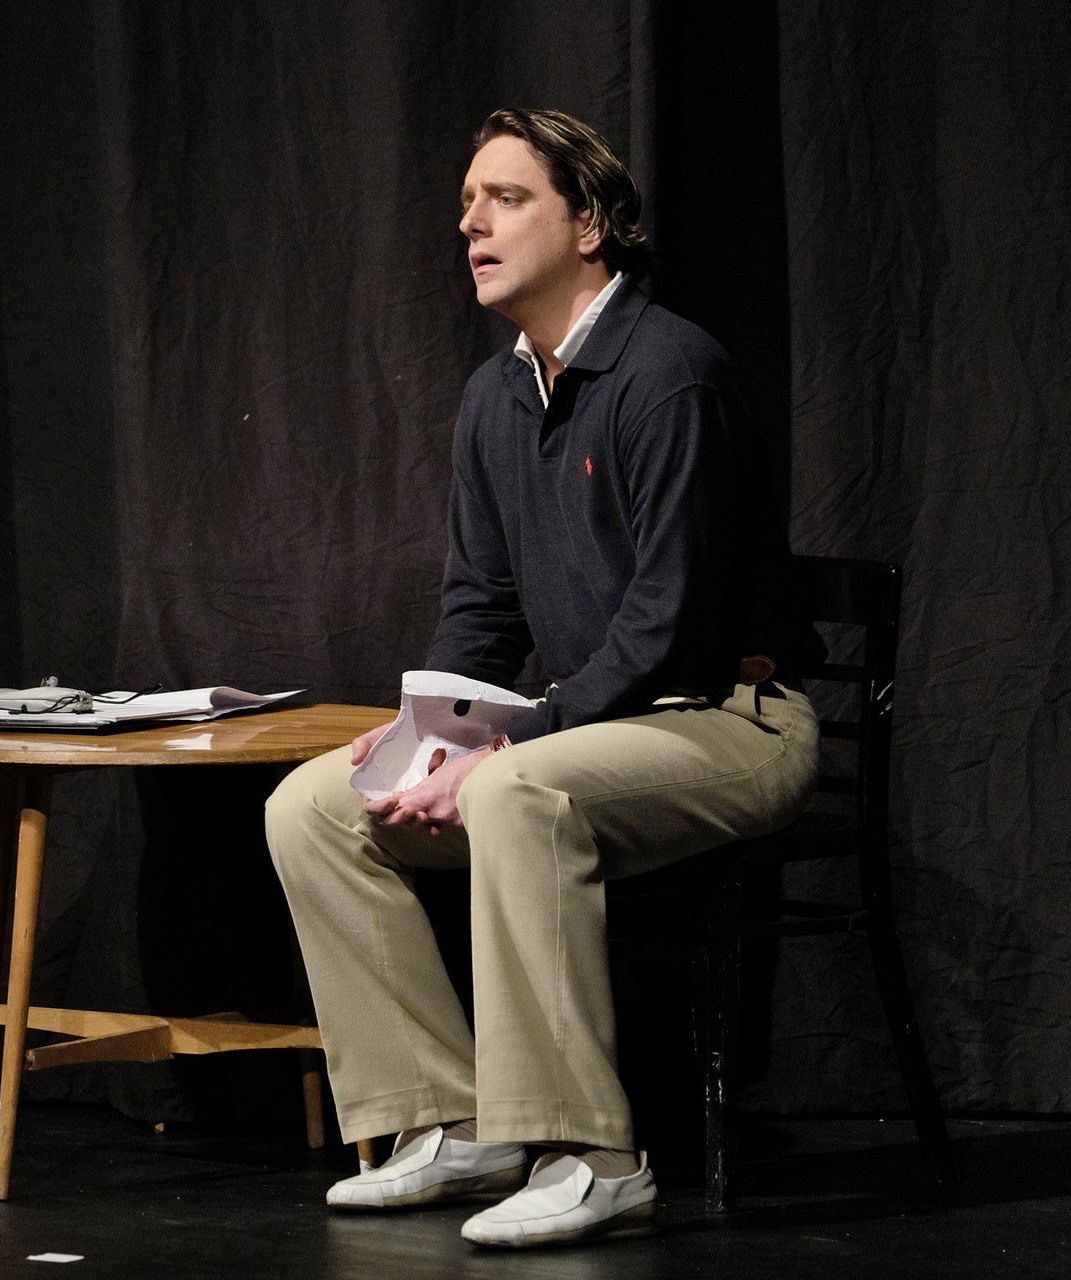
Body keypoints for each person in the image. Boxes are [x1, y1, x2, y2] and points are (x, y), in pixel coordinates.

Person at [265, 108, 824, 1249]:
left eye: (507, 198)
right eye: (467, 203)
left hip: (731, 719)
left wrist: (507, 745)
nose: (472, 222)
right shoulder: (495, 397)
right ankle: (449, 1118)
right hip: (599, 725)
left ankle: (593, 1156)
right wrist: (427, 736)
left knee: (517, 792)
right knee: (314, 805)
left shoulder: (670, 374)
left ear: (591, 224)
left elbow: (669, 624)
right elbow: (484, 608)